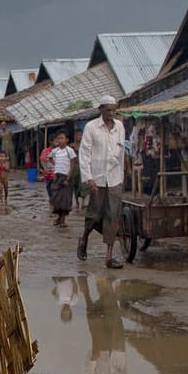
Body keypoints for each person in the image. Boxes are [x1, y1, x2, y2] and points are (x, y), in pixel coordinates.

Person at [76, 95, 131, 266]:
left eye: (114, 110)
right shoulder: (91, 127)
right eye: (108, 110)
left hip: (115, 178)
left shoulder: (120, 127)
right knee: (94, 215)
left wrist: (124, 173)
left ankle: (108, 257)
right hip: (97, 179)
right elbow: (84, 154)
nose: (111, 113)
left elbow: (121, 151)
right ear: (100, 110)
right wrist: (89, 178)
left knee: (112, 216)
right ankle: (84, 237)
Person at [43, 130, 76, 226]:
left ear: (67, 139)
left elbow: (73, 164)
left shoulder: (70, 150)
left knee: (65, 199)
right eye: (58, 138)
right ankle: (58, 217)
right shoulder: (55, 151)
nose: (60, 140)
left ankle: (63, 219)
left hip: (66, 176)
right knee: (56, 198)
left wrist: (68, 179)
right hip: (57, 176)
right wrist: (55, 165)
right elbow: (49, 158)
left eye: (62, 138)